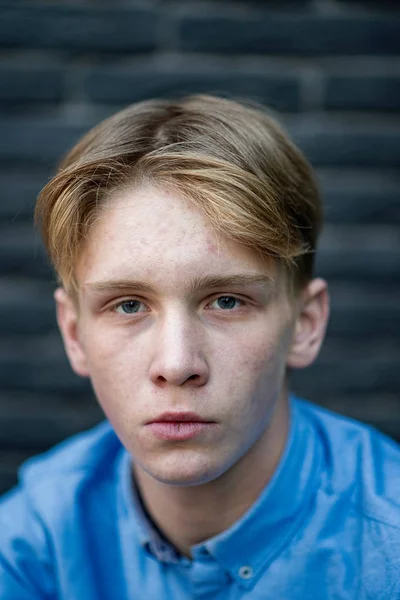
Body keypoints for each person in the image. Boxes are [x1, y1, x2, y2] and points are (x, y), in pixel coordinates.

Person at [0, 95, 399, 599]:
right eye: (128, 305)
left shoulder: (388, 551)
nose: (176, 364)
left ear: (305, 323)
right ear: (74, 335)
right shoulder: (35, 544)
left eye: (227, 301)